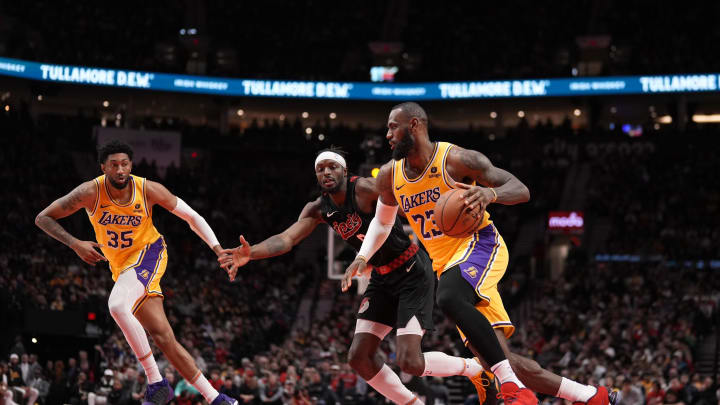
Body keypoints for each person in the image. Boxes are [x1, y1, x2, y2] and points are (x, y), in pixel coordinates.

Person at [344, 102, 616, 405]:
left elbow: (520, 188)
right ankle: (591, 396)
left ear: (415, 125)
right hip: (446, 264)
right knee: (496, 357)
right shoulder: (389, 176)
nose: (387, 134)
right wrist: (362, 257)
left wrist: (490, 193)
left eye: (393, 126)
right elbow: (383, 222)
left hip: (481, 245)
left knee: (447, 296)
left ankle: (513, 389)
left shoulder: (456, 159)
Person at [220, 148, 488, 405]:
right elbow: (286, 239)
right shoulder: (318, 208)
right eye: (320, 168)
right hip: (381, 278)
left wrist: (447, 210)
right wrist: (250, 253)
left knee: (410, 362)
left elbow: (410, 203)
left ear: (345, 171)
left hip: (411, 272)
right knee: (359, 358)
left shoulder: (364, 189)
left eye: (332, 166)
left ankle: (474, 369)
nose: (326, 172)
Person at [35, 140, 238, 405]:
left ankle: (155, 383)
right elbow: (43, 218)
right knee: (164, 338)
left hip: (150, 253)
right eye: (114, 164)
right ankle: (217, 399)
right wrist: (74, 243)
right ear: (103, 168)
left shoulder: (148, 189)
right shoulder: (89, 192)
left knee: (117, 305)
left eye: (125, 164)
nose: (120, 169)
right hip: (122, 268)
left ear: (131, 165)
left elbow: (192, 216)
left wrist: (217, 248)